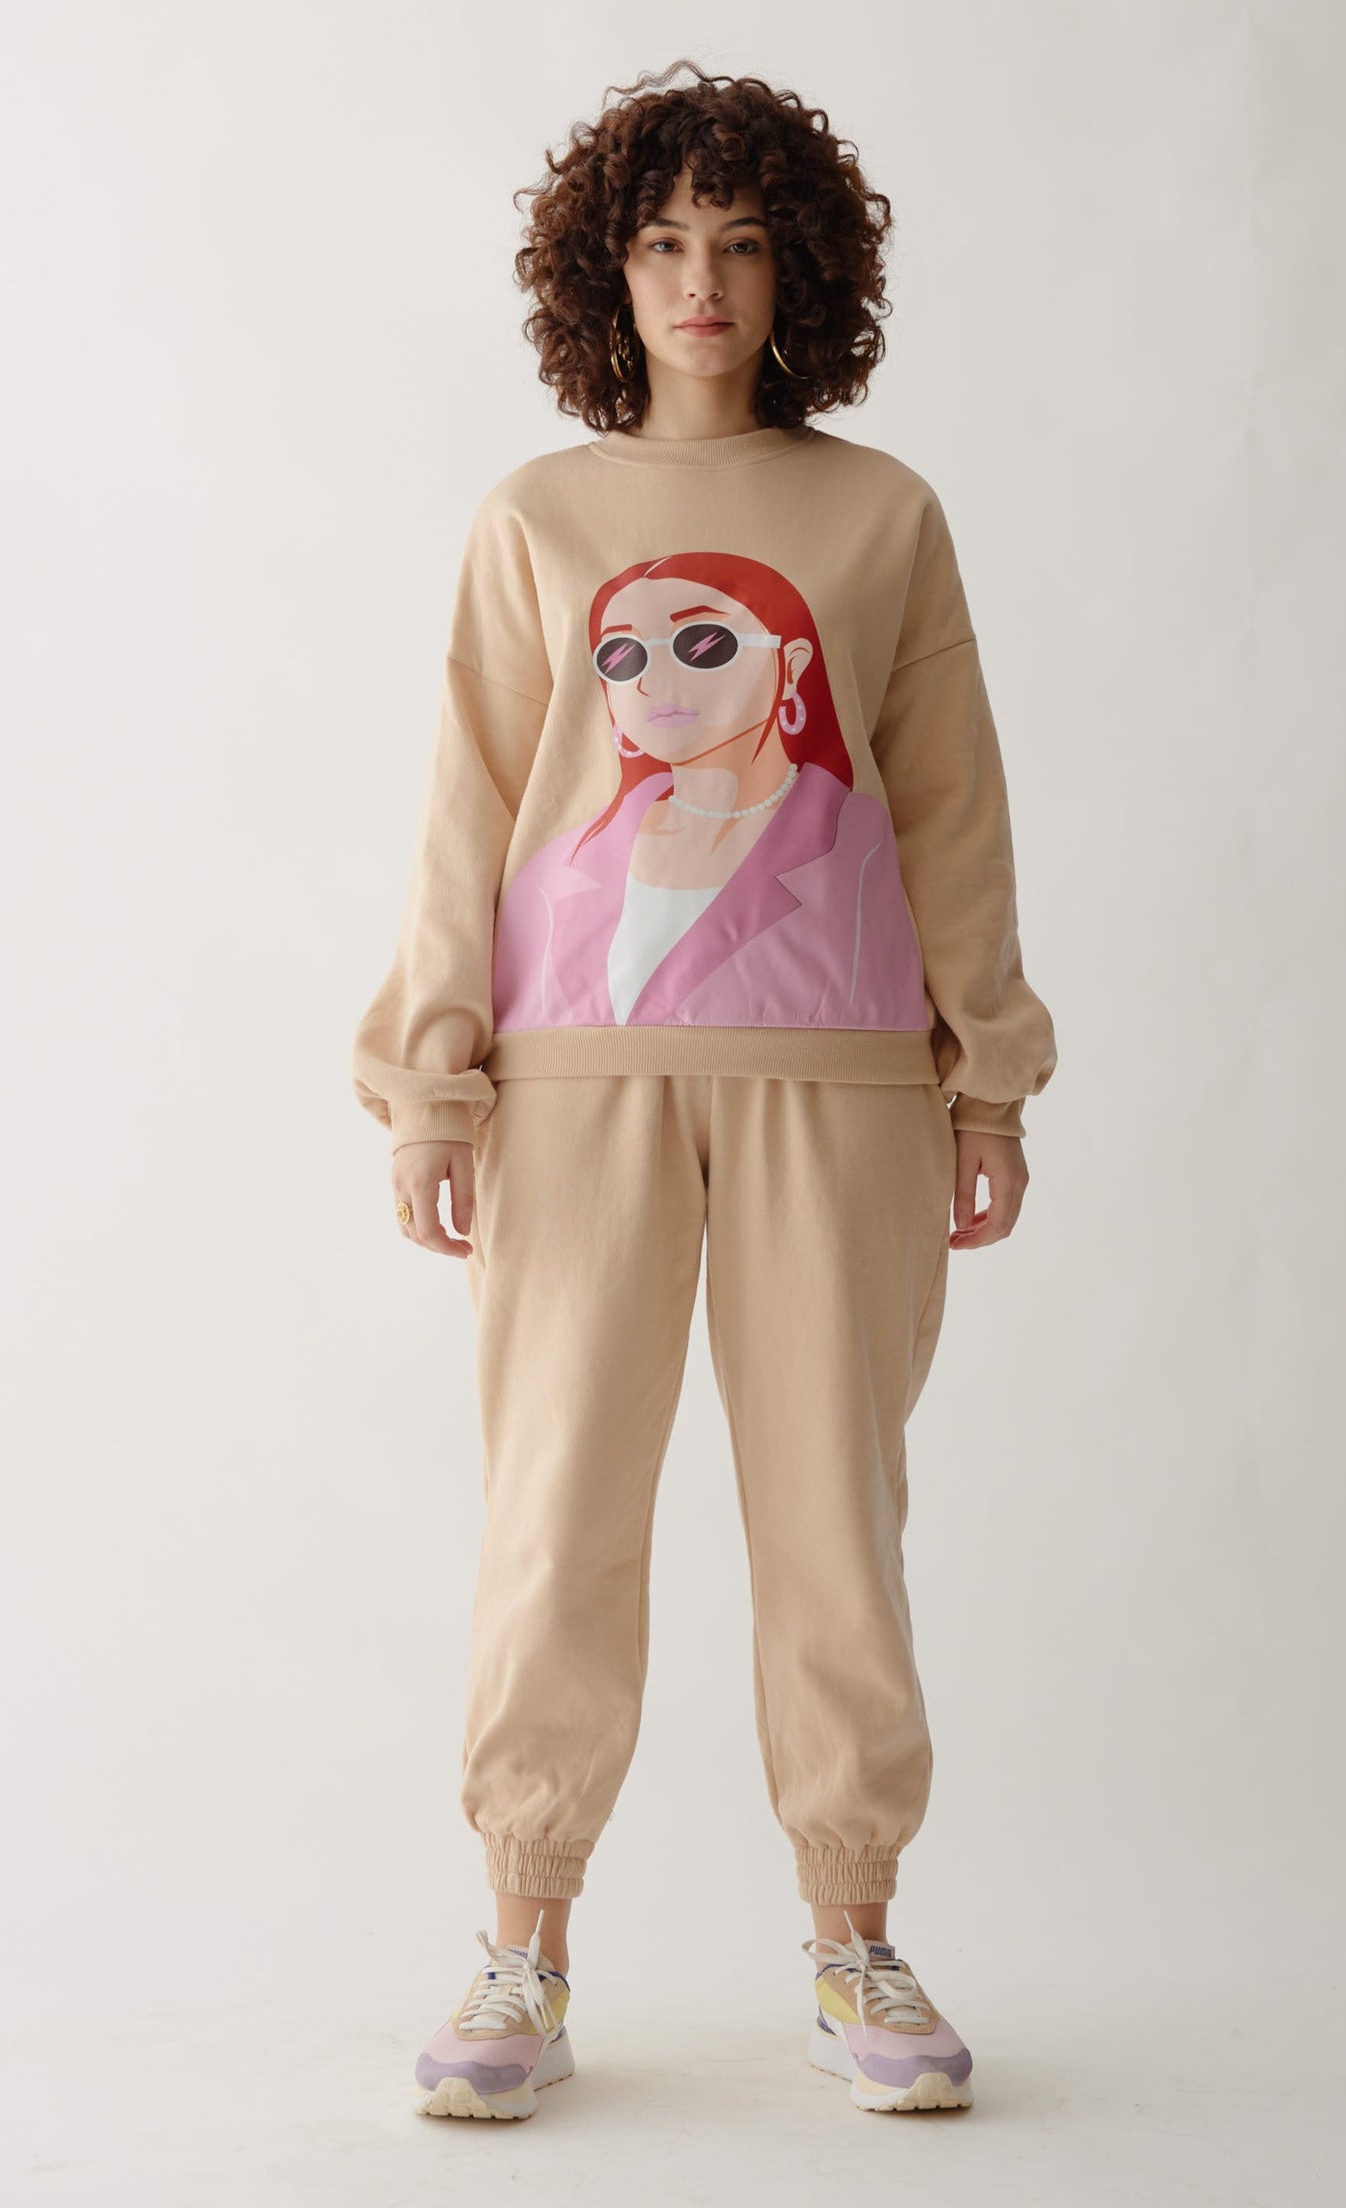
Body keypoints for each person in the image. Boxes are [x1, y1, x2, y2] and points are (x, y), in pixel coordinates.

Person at [350, 59, 1057, 2122]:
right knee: (559, 1510)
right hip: (576, 1085)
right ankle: (524, 1944)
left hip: (841, 1081)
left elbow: (951, 813)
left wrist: (986, 1082)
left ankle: (853, 1935)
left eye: (742, 241)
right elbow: (470, 810)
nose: (703, 281)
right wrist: (431, 1084)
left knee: (834, 1515)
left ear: (796, 268)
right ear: (609, 269)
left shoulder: (879, 516)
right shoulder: (534, 520)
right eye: (664, 241)